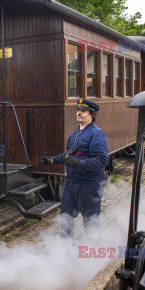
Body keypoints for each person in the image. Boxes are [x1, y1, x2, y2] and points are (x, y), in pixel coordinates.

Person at [41, 99, 108, 238]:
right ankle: (65, 249)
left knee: (90, 220)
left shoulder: (97, 134)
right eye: (78, 110)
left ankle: (93, 251)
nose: (79, 113)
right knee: (65, 215)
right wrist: (52, 160)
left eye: (83, 111)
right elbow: (69, 155)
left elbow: (101, 160)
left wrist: (78, 163)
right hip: (72, 183)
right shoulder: (75, 134)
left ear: (91, 114)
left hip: (89, 184)